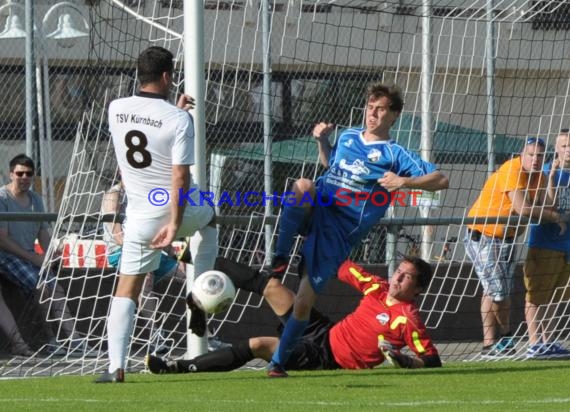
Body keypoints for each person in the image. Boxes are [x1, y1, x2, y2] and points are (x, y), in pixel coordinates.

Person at [266, 83, 449, 376]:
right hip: (320, 206)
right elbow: (332, 165)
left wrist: (405, 182)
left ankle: (277, 365)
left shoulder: (395, 154)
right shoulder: (350, 135)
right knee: (302, 186)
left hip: (338, 231)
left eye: (380, 109)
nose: (373, 114)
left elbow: (441, 179)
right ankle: (279, 257)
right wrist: (322, 142)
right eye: (370, 108)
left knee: (302, 304)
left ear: (394, 116)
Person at [95, 46, 218, 383]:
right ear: (167, 76)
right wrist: (176, 224)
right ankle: (200, 297)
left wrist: (170, 112)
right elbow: (179, 176)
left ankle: (115, 368)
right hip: (174, 208)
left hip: (139, 217)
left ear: (140, 74)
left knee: (127, 290)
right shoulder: (180, 119)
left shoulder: (116, 108)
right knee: (210, 218)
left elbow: (143, 137)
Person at [146, 256, 442, 375]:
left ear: (417, 289)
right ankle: (198, 260)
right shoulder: (376, 287)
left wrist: (409, 362)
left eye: (406, 278)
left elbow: (432, 359)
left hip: (328, 359)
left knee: (261, 345)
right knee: (272, 287)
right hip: (325, 332)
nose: (397, 278)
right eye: (399, 272)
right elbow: (342, 265)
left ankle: (177, 368)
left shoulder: (407, 318)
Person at [464, 137, 566, 358]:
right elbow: (524, 209)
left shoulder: (539, 175)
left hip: (506, 240)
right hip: (484, 235)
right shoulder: (512, 169)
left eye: (540, 156)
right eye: (531, 155)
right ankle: (499, 341)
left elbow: (549, 204)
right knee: (498, 292)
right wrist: (554, 217)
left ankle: (496, 344)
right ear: (522, 155)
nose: (536, 160)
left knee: (496, 290)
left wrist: (551, 178)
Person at [0, 154, 88, 356]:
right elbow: (3, 240)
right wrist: (34, 258)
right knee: (42, 287)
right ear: (11, 174)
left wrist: (50, 255)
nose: (24, 177)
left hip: (28, 255)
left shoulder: (36, 199)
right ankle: (50, 338)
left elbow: (43, 234)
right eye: (20, 173)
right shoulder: (2, 197)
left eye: (28, 174)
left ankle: (73, 339)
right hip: (6, 256)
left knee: (55, 286)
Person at [524, 130, 570, 358]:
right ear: (557, 148)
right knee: (536, 296)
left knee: (556, 297)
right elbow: (546, 205)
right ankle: (534, 343)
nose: (568, 150)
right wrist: (551, 178)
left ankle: (548, 341)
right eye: (564, 146)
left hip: (566, 246)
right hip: (544, 244)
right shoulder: (544, 173)